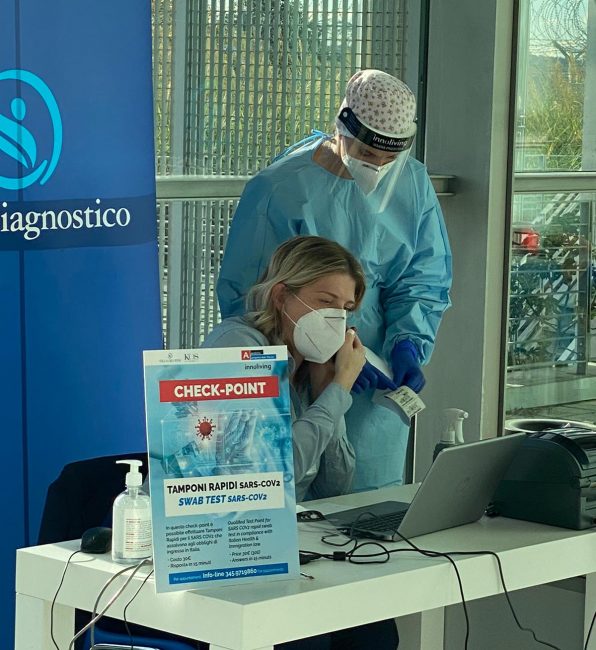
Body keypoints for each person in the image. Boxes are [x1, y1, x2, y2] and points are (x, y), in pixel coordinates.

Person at [217, 69, 452, 491]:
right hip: (293, 373)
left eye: (389, 160)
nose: (377, 168)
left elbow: (423, 278)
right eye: (367, 153)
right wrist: (313, 356)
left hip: (373, 371)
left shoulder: (412, 183)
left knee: (364, 499)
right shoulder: (280, 190)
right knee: (287, 486)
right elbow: (249, 297)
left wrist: (406, 343)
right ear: (342, 128)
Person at [201, 235, 399, 649]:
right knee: (309, 639)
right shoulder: (238, 347)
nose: (335, 320)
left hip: (283, 544)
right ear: (281, 296)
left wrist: (326, 387)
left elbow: (333, 486)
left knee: (376, 630)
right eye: (325, 302)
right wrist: (340, 390)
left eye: (345, 310)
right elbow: (271, 475)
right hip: (220, 548)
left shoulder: (306, 364)